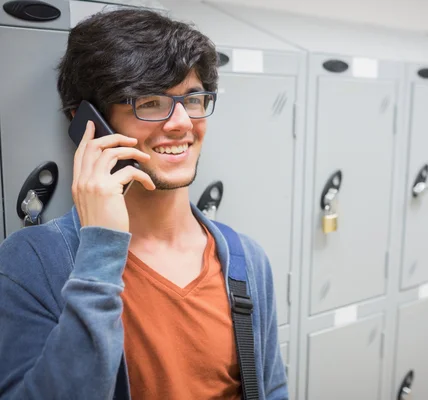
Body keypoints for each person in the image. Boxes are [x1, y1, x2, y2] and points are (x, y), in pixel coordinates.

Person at [0, 7, 288, 400]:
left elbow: (271, 391)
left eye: (193, 99)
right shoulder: (31, 263)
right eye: (149, 102)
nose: (182, 123)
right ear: (87, 120)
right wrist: (100, 250)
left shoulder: (247, 261)